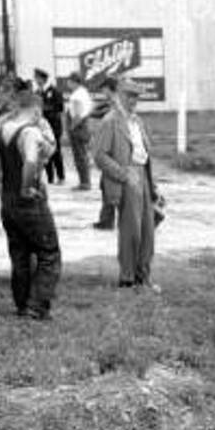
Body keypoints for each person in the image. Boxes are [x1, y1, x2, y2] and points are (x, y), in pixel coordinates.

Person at [0, 80, 61, 320]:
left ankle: (22, 304)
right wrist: (27, 186)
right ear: (37, 111)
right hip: (29, 201)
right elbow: (31, 160)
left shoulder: (0, 130)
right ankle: (37, 305)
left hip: (6, 201)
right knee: (49, 252)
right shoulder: (30, 131)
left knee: (19, 254)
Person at [91, 77, 159, 290]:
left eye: (136, 96)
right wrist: (123, 174)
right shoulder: (110, 121)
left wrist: (152, 184)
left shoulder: (137, 121)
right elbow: (99, 155)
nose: (133, 100)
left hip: (143, 176)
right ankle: (127, 277)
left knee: (148, 229)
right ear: (118, 95)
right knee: (131, 230)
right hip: (127, 177)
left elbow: (145, 153)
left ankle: (143, 274)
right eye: (129, 95)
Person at [91, 76, 119, 229]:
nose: (102, 92)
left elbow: (92, 113)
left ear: (108, 88)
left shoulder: (116, 104)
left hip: (113, 151)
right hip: (112, 149)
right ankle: (106, 219)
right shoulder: (113, 103)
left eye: (103, 89)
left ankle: (107, 221)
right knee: (107, 185)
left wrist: (104, 103)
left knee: (110, 186)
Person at [34, 68, 66, 184]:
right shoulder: (37, 92)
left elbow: (60, 107)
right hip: (42, 127)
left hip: (54, 126)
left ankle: (61, 176)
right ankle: (50, 178)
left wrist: (45, 109)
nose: (36, 80)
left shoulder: (54, 91)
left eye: (37, 78)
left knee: (56, 152)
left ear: (43, 79)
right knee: (44, 151)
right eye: (35, 78)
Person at [63, 72, 93, 190]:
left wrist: (71, 128)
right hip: (84, 126)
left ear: (74, 82)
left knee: (80, 156)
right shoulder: (84, 92)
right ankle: (85, 181)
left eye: (69, 81)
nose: (68, 83)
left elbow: (77, 115)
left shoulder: (77, 95)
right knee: (83, 155)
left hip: (78, 128)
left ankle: (84, 183)